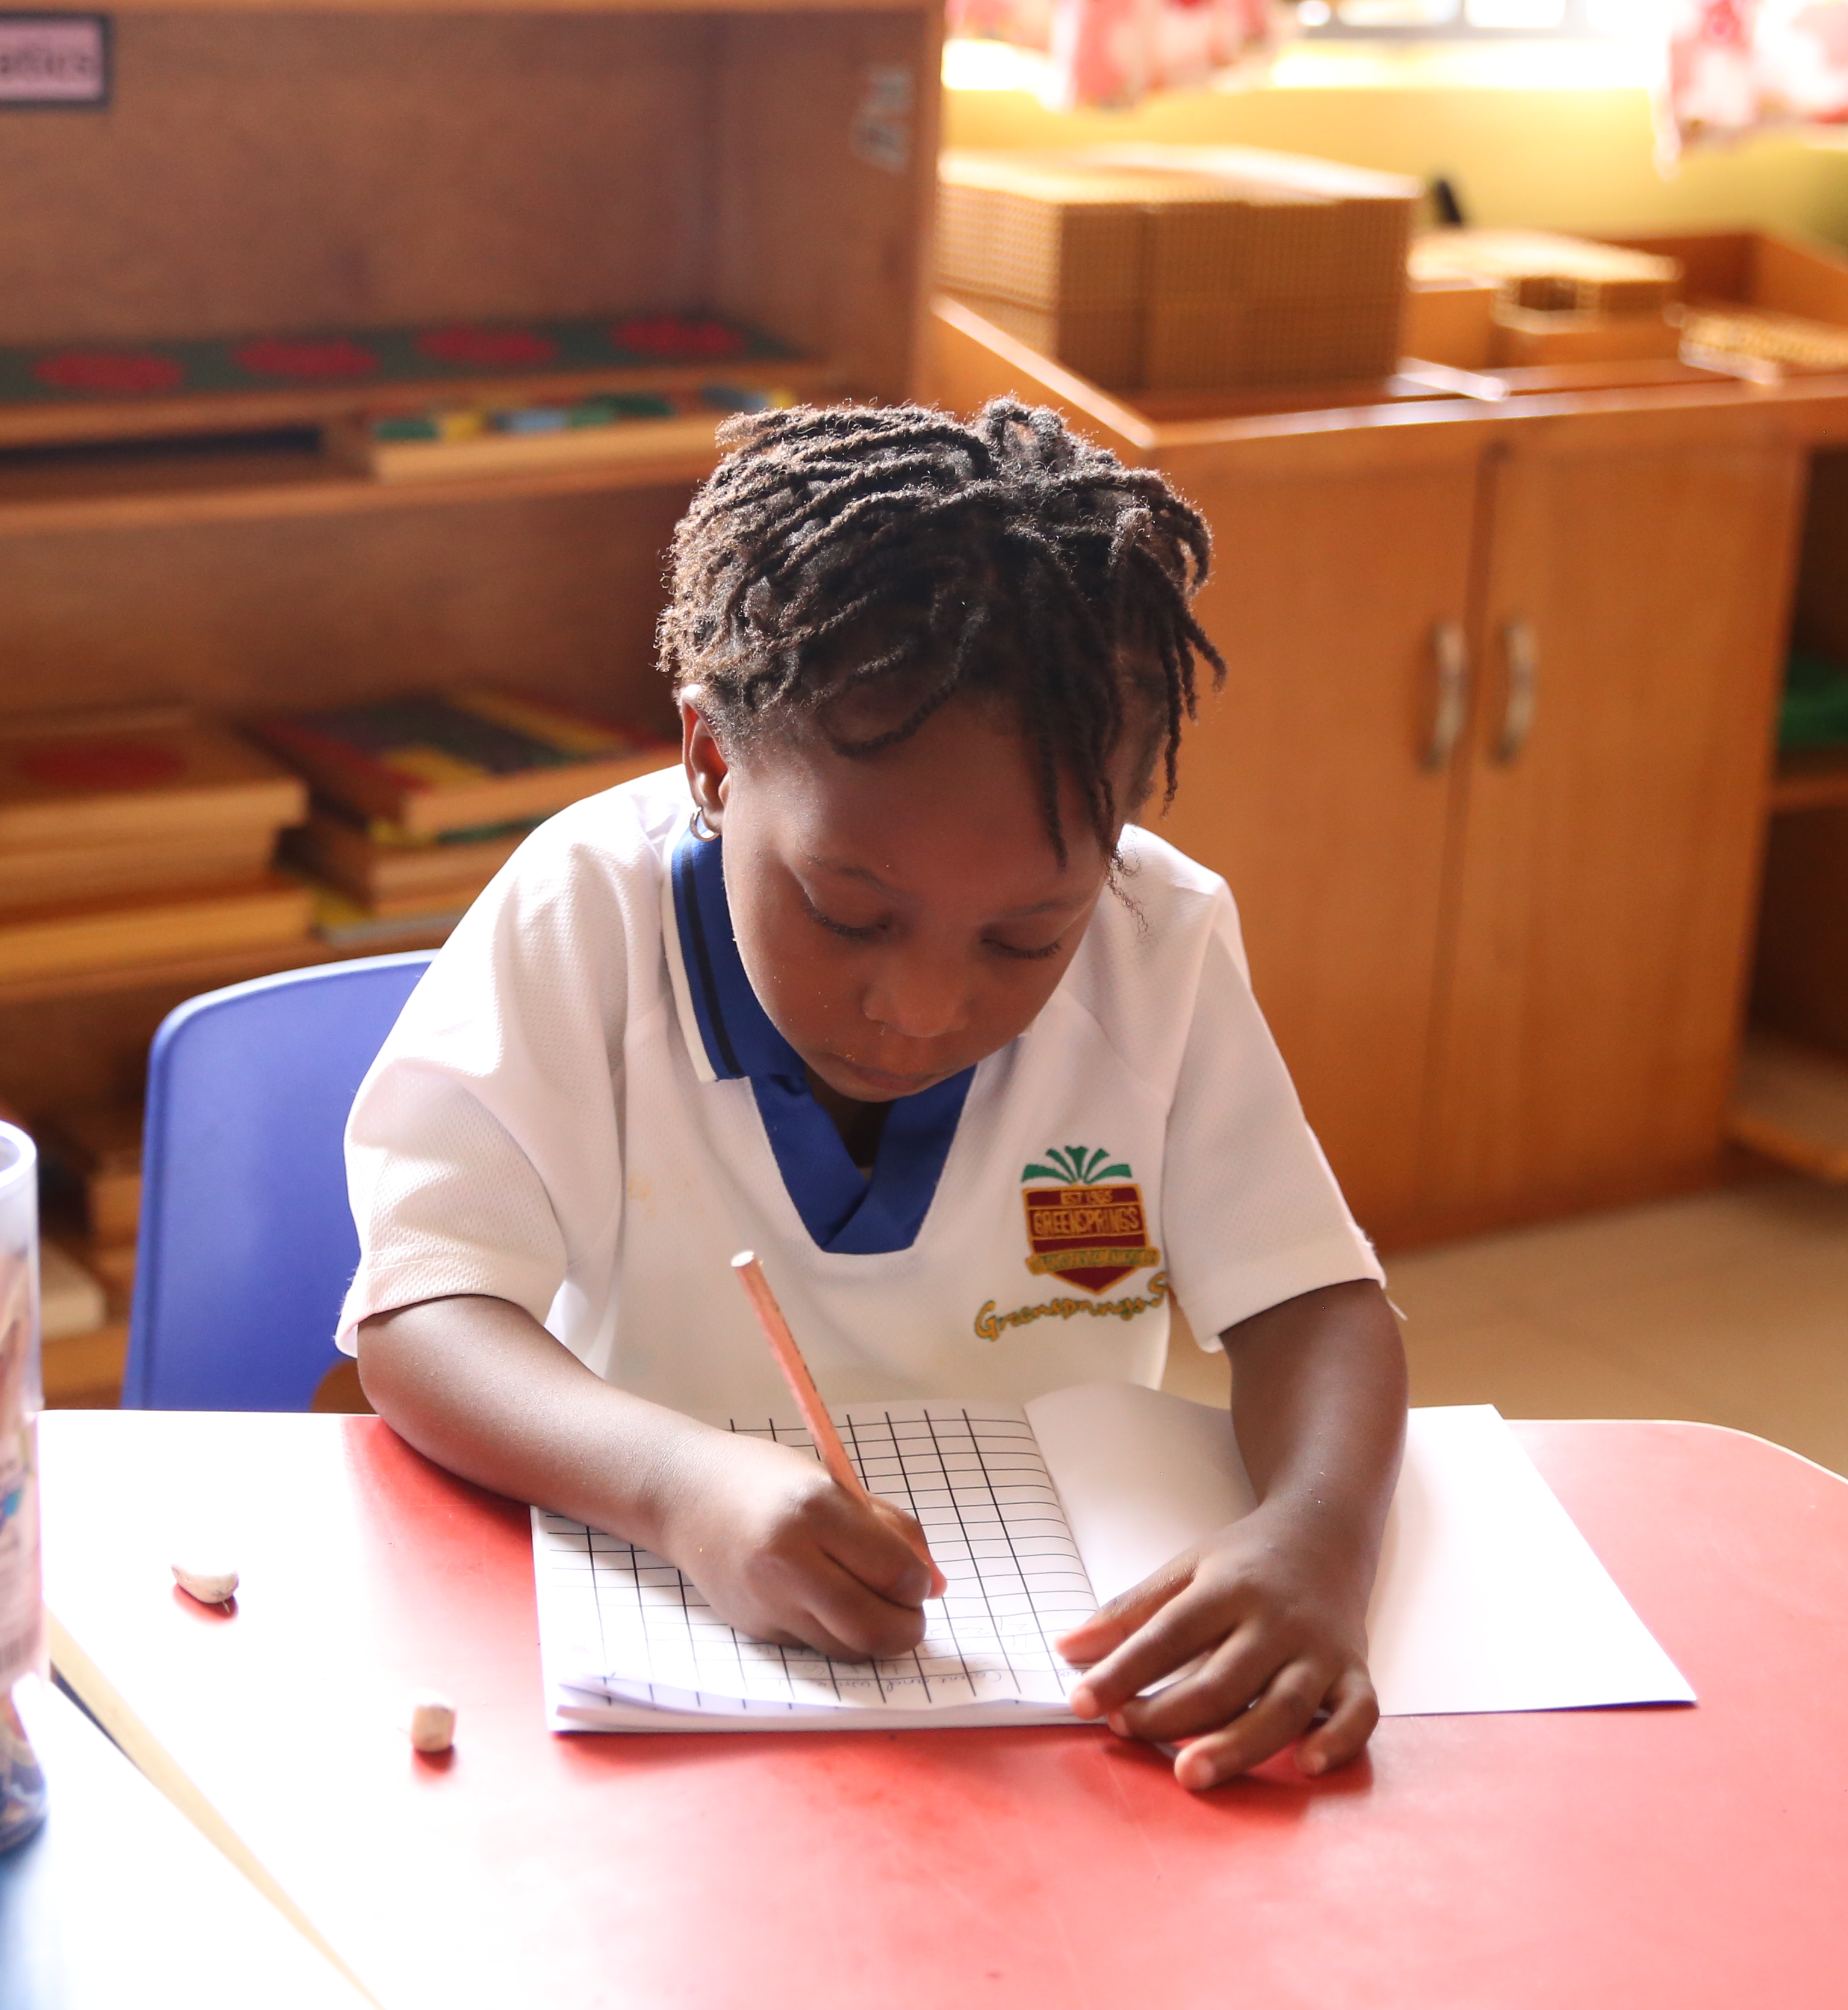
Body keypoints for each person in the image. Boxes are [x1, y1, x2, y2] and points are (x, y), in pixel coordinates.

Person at [344, 398, 1407, 1790]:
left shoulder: (1161, 943)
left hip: (1043, 1728)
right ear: (713, 762)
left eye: (1028, 937)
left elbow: (1317, 1308)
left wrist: (1315, 1542)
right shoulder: (582, 914)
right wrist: (685, 1485)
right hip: (658, 1689)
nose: (920, 1008)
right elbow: (424, 1314)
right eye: (848, 914)